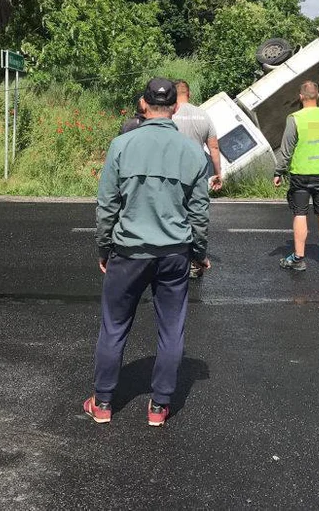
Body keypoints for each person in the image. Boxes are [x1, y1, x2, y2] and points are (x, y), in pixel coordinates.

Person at [85, 77, 211, 427]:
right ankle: (158, 407)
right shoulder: (192, 153)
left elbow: (107, 205)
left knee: (114, 326)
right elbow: (199, 212)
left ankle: (104, 403)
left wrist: (104, 247)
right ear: (175, 107)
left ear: (143, 104)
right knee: (171, 328)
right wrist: (199, 252)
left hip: (128, 251)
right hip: (174, 253)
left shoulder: (121, 145)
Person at [273, 81, 319, 271]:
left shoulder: (295, 118)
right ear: (318, 95)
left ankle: (299, 259)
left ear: (301, 97)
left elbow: (286, 149)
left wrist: (278, 172)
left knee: (300, 213)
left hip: (302, 174)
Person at [171, 80, 223, 192]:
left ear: (173, 94)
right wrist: (217, 174)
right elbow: (214, 147)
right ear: (189, 94)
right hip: (198, 173)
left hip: (174, 174)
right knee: (198, 206)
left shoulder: (170, 116)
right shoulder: (203, 115)